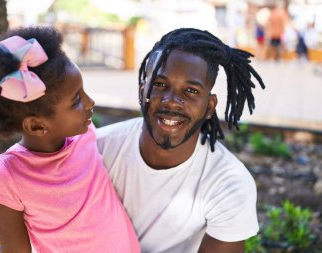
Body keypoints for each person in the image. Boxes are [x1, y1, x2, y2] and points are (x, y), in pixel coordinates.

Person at [0, 26, 140, 253]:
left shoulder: (85, 136)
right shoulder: (5, 178)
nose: (91, 102)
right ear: (37, 125)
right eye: (76, 100)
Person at [96, 28, 266, 253]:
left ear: (210, 106)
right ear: (141, 92)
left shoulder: (229, 183)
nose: (172, 101)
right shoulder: (97, 150)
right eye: (159, 85)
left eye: (190, 90)